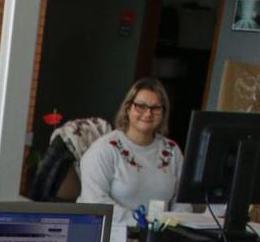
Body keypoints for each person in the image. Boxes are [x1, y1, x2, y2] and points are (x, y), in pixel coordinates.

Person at [78, 78, 189, 223]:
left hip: (159, 235)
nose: (148, 113)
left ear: (163, 113)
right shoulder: (103, 150)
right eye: (141, 106)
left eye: (155, 108)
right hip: (112, 234)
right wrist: (142, 222)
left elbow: (183, 200)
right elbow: (95, 203)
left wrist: (174, 223)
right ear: (128, 108)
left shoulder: (172, 150)